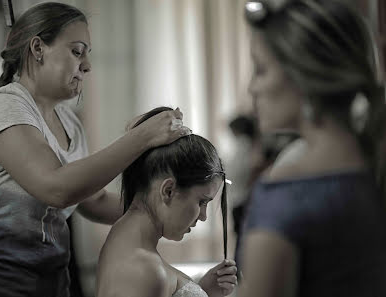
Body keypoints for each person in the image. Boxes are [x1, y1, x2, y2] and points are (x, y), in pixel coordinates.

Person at [0, 3, 190, 297]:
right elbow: (56, 187)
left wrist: (166, 205)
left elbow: (93, 200)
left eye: (87, 54)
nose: (87, 65)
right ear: (37, 49)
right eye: (76, 51)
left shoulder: (70, 124)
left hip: (49, 286)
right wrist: (142, 138)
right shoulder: (2, 106)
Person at [238, 0, 386, 296]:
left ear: (303, 75)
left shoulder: (286, 197)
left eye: (261, 70)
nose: (252, 88)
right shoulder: (373, 169)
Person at [96, 107, 238, 297]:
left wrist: (203, 291)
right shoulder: (143, 270)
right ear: (168, 191)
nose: (203, 217)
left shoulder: (126, 242)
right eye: (202, 202)